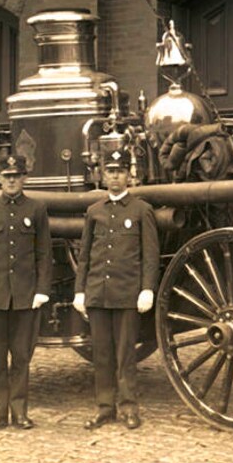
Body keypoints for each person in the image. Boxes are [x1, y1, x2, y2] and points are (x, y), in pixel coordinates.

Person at [0, 154, 53, 433]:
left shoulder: (36, 209)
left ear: (24, 178)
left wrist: (41, 291)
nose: (12, 180)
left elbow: (44, 254)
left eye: (16, 175)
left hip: (25, 297)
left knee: (21, 358)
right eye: (7, 176)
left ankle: (20, 412)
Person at [73, 148, 159, 430]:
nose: (115, 177)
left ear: (128, 175)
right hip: (98, 293)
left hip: (126, 294)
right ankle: (104, 407)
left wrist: (147, 289)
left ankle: (129, 407)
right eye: (110, 172)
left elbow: (150, 256)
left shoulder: (141, 210)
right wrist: (80, 291)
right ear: (102, 175)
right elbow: (84, 256)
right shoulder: (94, 212)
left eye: (120, 172)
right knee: (102, 355)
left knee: (125, 355)